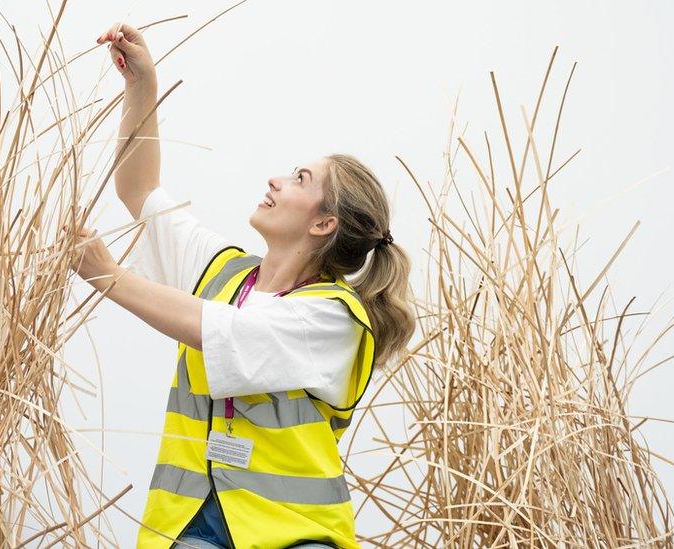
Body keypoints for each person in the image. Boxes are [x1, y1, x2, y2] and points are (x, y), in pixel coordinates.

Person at [72, 22, 416, 549]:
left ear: (323, 223)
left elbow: (224, 332)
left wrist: (110, 278)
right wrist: (142, 86)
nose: (276, 180)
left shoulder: (335, 317)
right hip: (189, 527)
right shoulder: (223, 273)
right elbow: (139, 189)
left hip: (295, 535)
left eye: (300, 179)